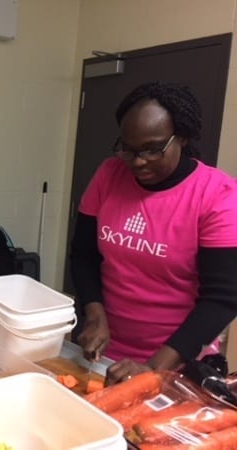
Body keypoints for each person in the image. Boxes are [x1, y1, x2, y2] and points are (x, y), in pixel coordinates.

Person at [70, 81, 237, 385]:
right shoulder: (109, 174)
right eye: (128, 149)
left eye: (152, 149)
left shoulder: (218, 196)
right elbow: (83, 255)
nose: (137, 162)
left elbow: (223, 298)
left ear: (182, 137)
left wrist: (155, 367)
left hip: (178, 361)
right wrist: (94, 314)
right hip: (105, 353)